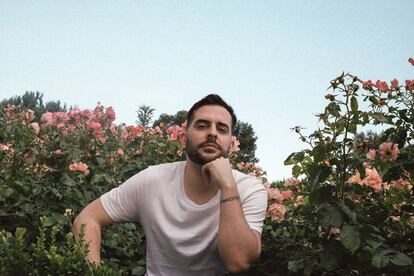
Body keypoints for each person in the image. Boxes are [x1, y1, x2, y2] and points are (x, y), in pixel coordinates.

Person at [74, 94, 268, 275]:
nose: (212, 133)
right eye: (202, 126)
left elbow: (238, 261)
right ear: (183, 139)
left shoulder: (249, 189)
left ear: (231, 145)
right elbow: (87, 218)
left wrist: (228, 187)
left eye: (222, 129)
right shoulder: (153, 181)